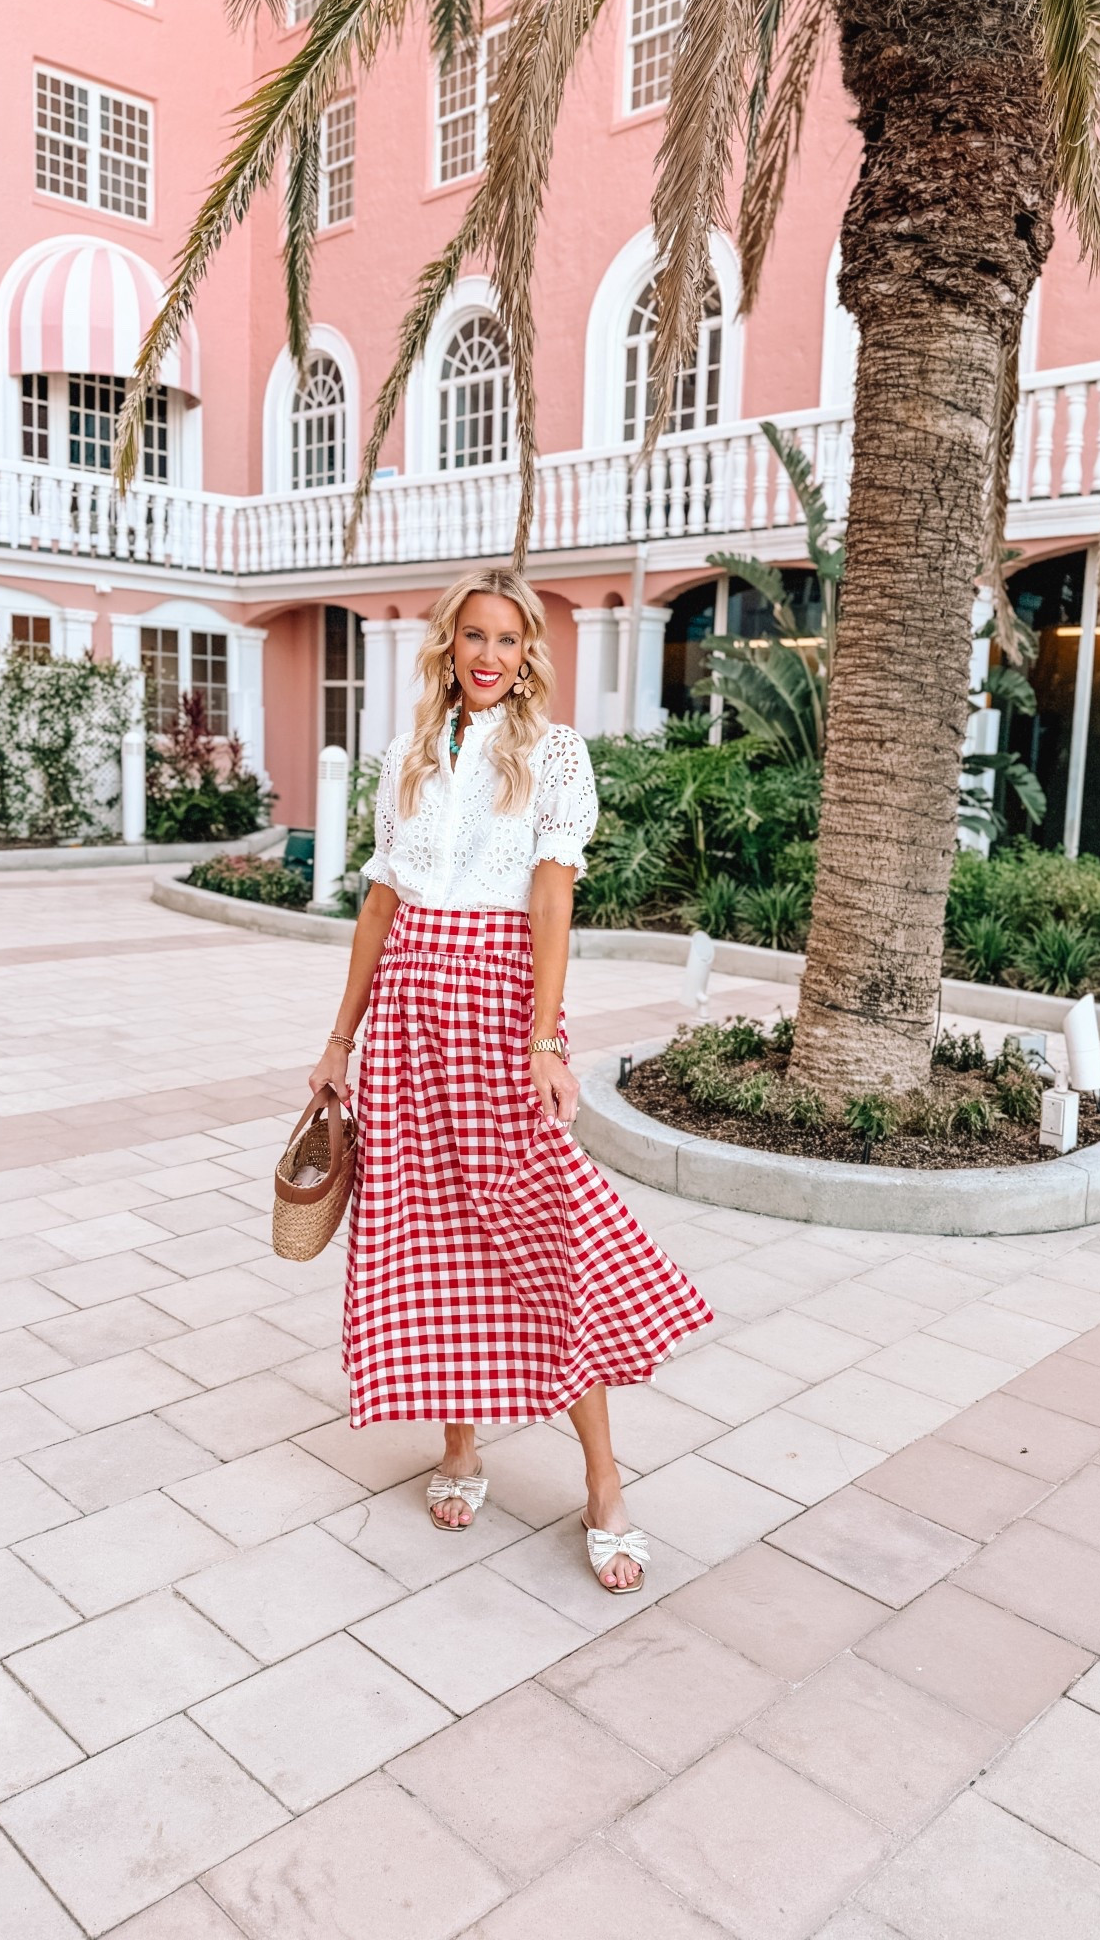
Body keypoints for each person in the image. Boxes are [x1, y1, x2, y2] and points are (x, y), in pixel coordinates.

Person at [309, 569, 713, 1592]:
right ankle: (458, 1444)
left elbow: (551, 902)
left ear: (529, 651)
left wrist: (543, 1040)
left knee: (546, 1227)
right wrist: (338, 1042)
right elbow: (379, 906)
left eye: (508, 639)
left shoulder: (553, 754)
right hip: (406, 1019)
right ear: (447, 644)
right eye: (473, 636)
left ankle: (606, 1479)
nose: (488, 655)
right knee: (426, 1226)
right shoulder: (406, 754)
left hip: (497, 1009)